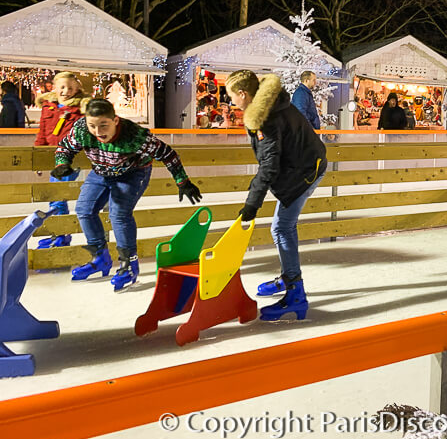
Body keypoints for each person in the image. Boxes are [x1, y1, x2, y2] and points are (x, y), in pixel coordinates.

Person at [52, 98, 202, 290]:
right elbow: (65, 147)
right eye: (93, 126)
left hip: (132, 173)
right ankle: (100, 258)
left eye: (103, 125)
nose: (98, 132)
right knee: (84, 210)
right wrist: (62, 163)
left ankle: (129, 265)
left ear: (115, 121)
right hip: (100, 171)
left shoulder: (135, 136)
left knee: (119, 214)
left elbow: (167, 153)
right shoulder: (82, 129)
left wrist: (183, 182)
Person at [226, 71, 327, 321]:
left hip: (306, 171)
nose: (231, 102)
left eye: (232, 97)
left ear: (243, 94)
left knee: (282, 228)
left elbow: (269, 164)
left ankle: (295, 293)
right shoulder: (268, 107)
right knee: (281, 227)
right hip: (305, 164)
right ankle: (287, 277)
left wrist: (251, 204)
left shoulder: (267, 118)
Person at [34, 71, 89, 249]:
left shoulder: (81, 108)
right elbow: (42, 133)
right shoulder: (48, 107)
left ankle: (61, 235)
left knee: (57, 196)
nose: (66, 91)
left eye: (71, 87)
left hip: (70, 159)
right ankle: (60, 233)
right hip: (52, 157)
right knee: (56, 196)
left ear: (77, 88)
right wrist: (38, 158)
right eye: (63, 87)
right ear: (54, 87)